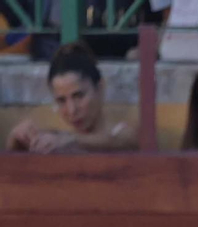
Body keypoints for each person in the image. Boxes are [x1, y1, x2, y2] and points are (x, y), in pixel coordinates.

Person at [6, 43, 135, 153]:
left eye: (79, 96)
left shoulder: (125, 135)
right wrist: (16, 141)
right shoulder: (59, 141)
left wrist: (73, 140)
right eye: (61, 100)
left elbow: (121, 142)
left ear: (100, 87)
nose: (72, 110)